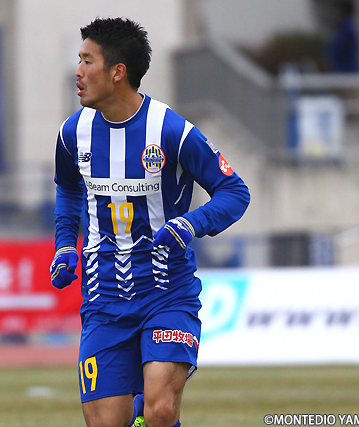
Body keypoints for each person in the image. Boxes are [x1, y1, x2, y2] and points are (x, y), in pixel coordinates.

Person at [50, 18, 250, 427]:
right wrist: (66, 244)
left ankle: (149, 408)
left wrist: (189, 225)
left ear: (117, 72)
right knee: (107, 422)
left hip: (167, 293)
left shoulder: (172, 131)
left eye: (87, 61)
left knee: (160, 409)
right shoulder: (72, 133)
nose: (78, 71)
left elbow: (234, 192)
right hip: (103, 299)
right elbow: (68, 189)